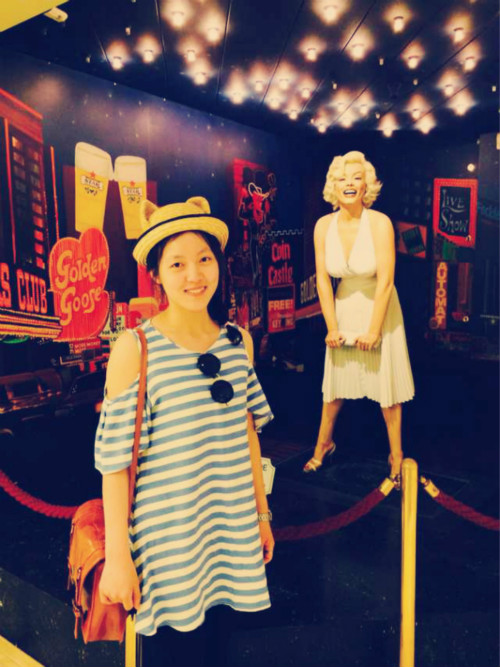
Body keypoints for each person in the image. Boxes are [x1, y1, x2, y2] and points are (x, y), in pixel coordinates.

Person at [95, 196, 274, 666]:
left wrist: (261, 516)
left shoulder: (238, 342)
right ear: (157, 273)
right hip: (167, 544)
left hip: (230, 534)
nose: (194, 275)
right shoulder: (135, 348)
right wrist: (118, 557)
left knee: (220, 650)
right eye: (177, 264)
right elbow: (114, 463)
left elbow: (248, 436)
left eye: (204, 259)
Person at [303, 151, 414, 484]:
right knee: (334, 387)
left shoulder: (379, 223)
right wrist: (332, 327)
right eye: (342, 178)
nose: (349, 184)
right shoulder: (323, 226)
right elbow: (323, 280)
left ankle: (396, 456)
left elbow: (386, 281)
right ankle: (323, 445)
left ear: (366, 185)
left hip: (380, 307)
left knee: (387, 390)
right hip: (344, 306)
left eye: (356, 178)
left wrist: (374, 330)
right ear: (333, 186)